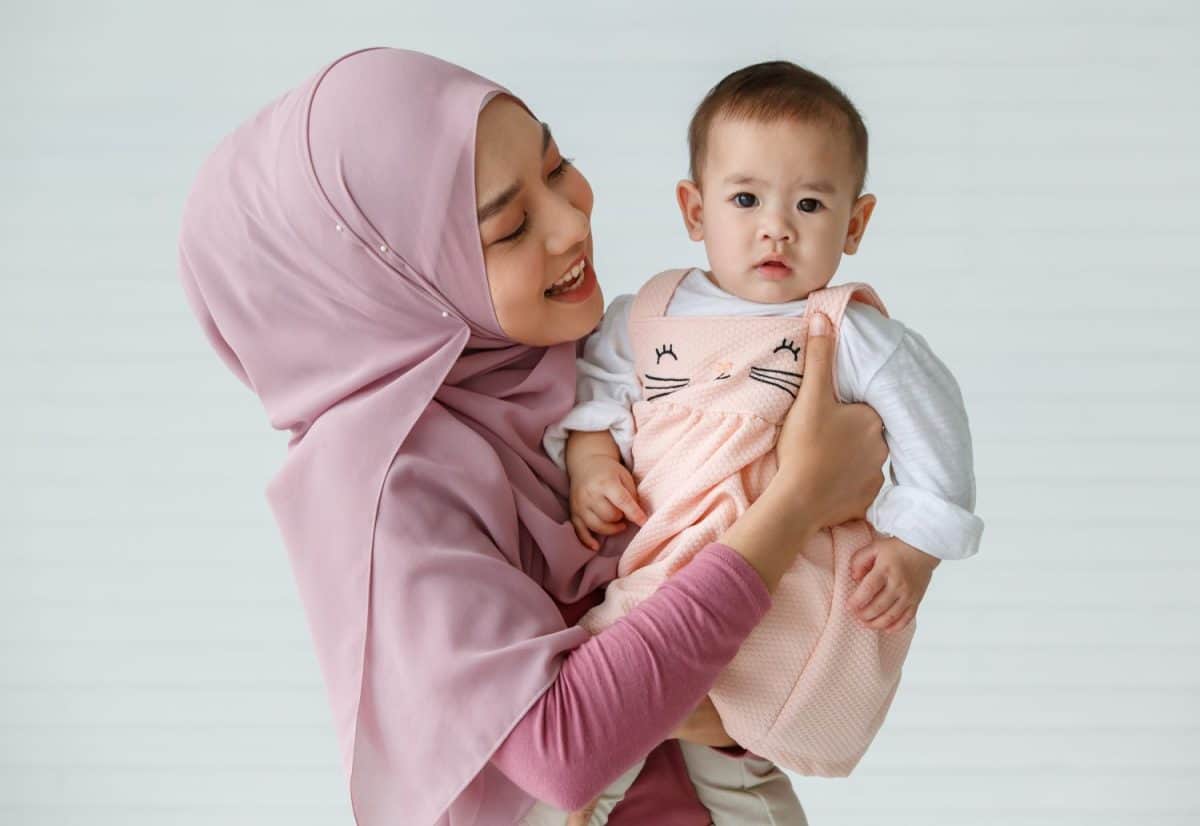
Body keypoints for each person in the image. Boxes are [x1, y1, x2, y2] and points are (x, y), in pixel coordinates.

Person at [177, 47, 887, 826]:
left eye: (558, 166)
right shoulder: (387, 494)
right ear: (398, 282)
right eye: (510, 227)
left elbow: (773, 679)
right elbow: (565, 749)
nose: (573, 221)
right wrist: (796, 500)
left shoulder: (585, 360)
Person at [544, 61, 984, 822]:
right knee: (618, 693)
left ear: (855, 223)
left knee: (671, 718)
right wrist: (590, 461)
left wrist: (915, 548)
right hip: (668, 561)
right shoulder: (647, 312)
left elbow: (934, 423)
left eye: (810, 203)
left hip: (773, 577)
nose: (776, 226)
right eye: (745, 198)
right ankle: (578, 798)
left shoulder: (848, 330)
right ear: (694, 208)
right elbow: (598, 393)